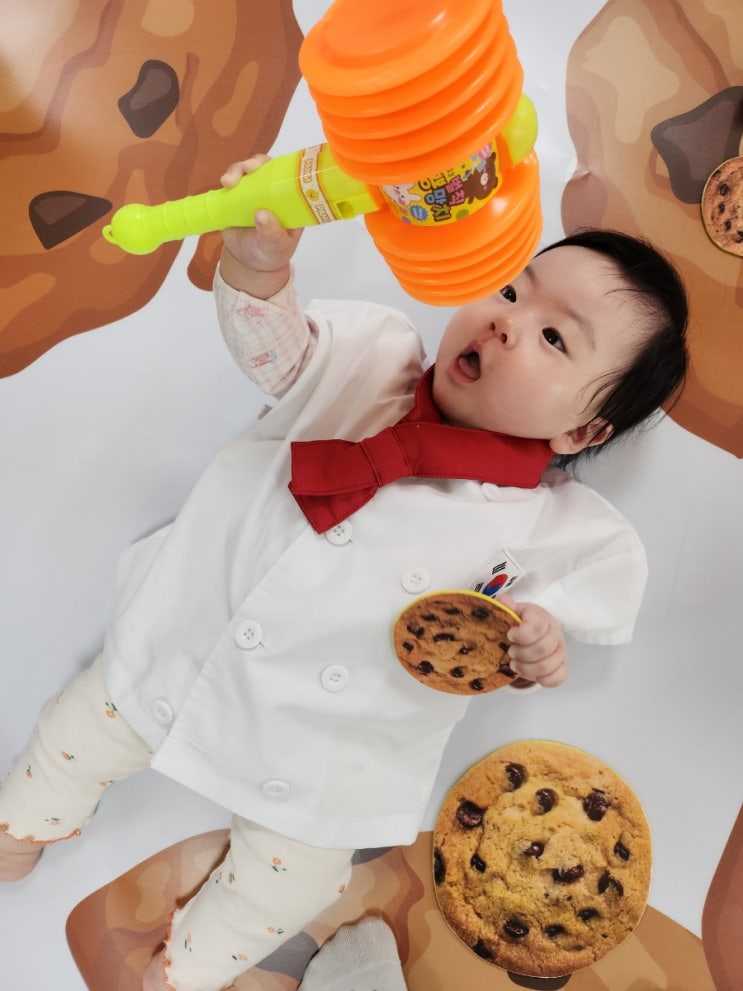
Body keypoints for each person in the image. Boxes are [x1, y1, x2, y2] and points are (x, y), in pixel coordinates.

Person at [0, 156, 688, 991]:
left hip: (327, 747)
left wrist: (535, 647)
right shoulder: (371, 357)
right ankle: (22, 825)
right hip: (194, 642)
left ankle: (185, 969)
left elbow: (524, 636)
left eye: (554, 338)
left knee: (292, 881)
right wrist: (258, 267)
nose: (508, 322)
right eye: (512, 290)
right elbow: (277, 354)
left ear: (582, 431)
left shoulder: (556, 530)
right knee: (80, 728)